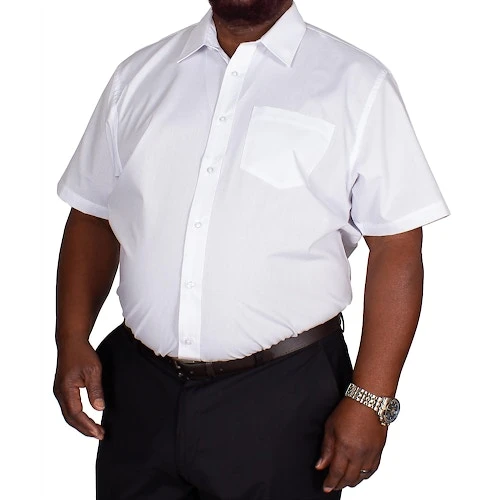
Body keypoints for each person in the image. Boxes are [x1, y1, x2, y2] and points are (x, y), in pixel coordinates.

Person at [53, 1, 450, 498]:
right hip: (140, 393)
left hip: (285, 400)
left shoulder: (357, 84)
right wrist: (71, 337)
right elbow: (93, 214)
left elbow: (397, 247)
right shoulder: (137, 78)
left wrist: (372, 398)